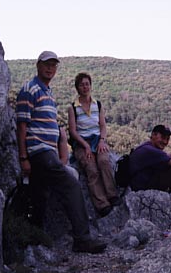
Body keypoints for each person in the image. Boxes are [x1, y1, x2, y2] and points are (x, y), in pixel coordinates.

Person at [15, 51, 106, 254]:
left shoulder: (48, 92)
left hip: (48, 153)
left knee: (40, 195)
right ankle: (82, 238)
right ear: (38, 65)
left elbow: (55, 131)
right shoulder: (30, 90)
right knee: (71, 184)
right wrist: (23, 158)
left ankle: (34, 236)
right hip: (38, 152)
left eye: (54, 65)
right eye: (47, 64)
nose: (50, 68)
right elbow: (21, 127)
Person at [68, 72, 119, 217]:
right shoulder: (73, 108)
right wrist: (85, 146)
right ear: (77, 88)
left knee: (104, 161)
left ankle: (112, 195)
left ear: (90, 86)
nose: (85, 87)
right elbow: (73, 132)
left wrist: (102, 140)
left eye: (87, 84)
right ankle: (102, 204)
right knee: (91, 169)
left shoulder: (98, 105)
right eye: (81, 85)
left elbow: (102, 125)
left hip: (97, 140)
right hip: (81, 143)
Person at [129, 125, 171, 194]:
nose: (165, 142)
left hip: (139, 183)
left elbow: (169, 155)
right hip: (141, 188)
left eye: (167, 139)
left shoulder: (147, 146)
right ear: (153, 134)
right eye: (163, 137)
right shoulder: (150, 150)